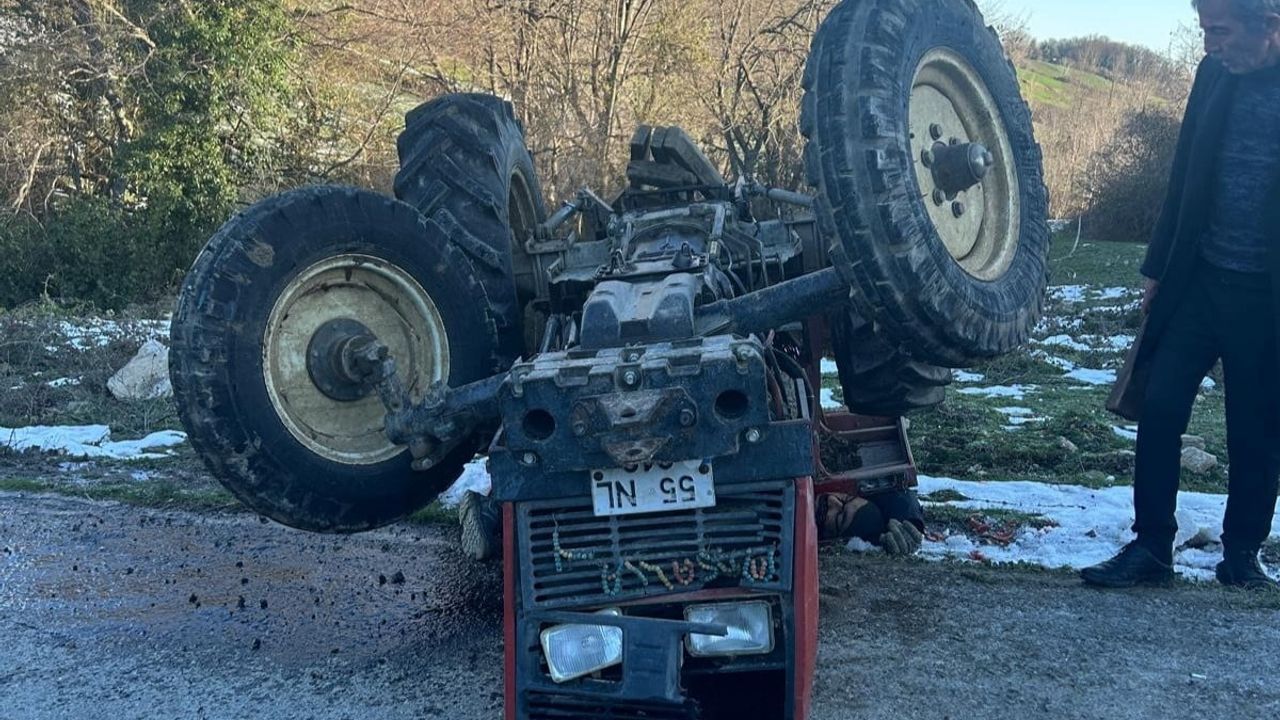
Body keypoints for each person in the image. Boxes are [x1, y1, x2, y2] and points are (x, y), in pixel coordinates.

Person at [1081, 0, 1280, 590]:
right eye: (1204, 31)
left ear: (1267, 24)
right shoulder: (1212, 74)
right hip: (1196, 280)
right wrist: (1156, 270)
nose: (1208, 45)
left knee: (1257, 427)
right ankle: (1151, 548)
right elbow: (1182, 175)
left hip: (1265, 297)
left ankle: (1242, 556)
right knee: (1161, 407)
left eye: (1218, 32)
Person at [457, 487, 925, 561]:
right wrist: (909, 518)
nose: (831, 506)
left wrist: (893, 532)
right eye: (843, 502)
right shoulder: (838, 469)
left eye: (835, 521)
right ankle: (493, 511)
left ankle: (503, 535)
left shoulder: (793, 522)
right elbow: (896, 483)